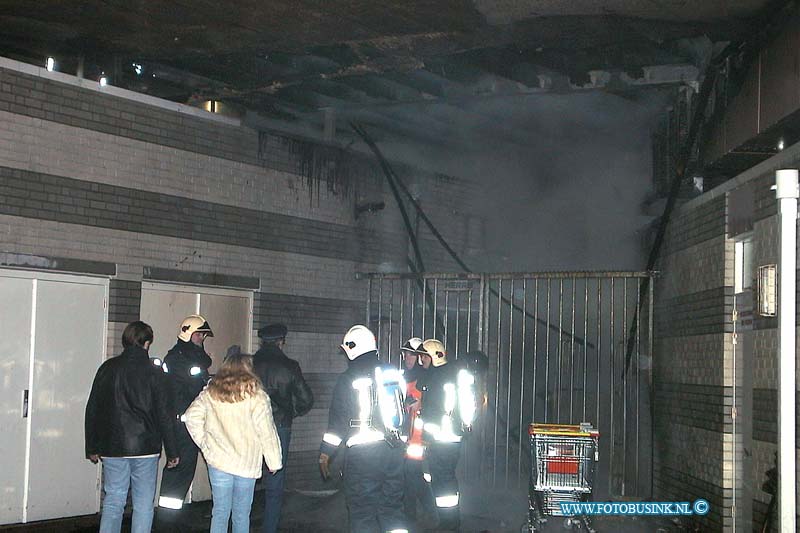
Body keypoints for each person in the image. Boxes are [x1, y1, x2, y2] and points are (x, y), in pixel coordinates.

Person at [85, 321, 180, 533]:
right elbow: (165, 415)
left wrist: (92, 446)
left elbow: (93, 409)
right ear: (147, 343)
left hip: (112, 446)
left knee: (114, 500)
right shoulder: (155, 373)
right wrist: (173, 451)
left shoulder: (107, 369)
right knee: (144, 504)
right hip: (146, 447)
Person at [318, 325, 409, 533]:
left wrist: (325, 452)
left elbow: (338, 423)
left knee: (362, 511)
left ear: (352, 349)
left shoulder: (347, 379)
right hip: (394, 451)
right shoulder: (393, 373)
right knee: (392, 509)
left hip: (363, 456)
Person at [183, 351, 284, 533]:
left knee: (220, 512)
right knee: (241, 514)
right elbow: (267, 431)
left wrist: (205, 444)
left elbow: (190, 417)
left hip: (218, 461)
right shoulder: (258, 397)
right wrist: (273, 461)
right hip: (246, 463)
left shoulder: (211, 392)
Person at [252, 323, 314, 533]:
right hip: (279, 426)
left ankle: (239, 524)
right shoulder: (289, 366)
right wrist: (290, 411)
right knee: (275, 481)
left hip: (250, 426)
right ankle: (270, 528)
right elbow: (306, 399)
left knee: (246, 475)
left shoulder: (249, 364)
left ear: (262, 341)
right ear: (282, 341)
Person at [416, 339, 476, 532]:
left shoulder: (440, 378)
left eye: (424, 356)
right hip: (443, 438)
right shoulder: (440, 375)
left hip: (444, 438)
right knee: (442, 480)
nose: (421, 360)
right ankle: (448, 520)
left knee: (444, 481)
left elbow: (435, 411)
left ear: (434, 357)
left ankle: (450, 523)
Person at [157, 314, 214, 517]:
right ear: (193, 335)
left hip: (185, 422)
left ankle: (169, 517)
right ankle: (168, 520)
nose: (203, 340)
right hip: (183, 424)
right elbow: (196, 387)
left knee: (182, 470)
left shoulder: (177, 356)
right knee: (181, 470)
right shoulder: (182, 358)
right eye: (201, 336)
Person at [400, 338, 435, 527]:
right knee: (413, 477)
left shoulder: (426, 378)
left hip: (418, 437)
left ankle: (410, 518)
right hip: (406, 436)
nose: (408, 357)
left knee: (410, 476)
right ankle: (432, 513)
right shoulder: (403, 376)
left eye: (412, 354)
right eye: (406, 353)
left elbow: (428, 405)